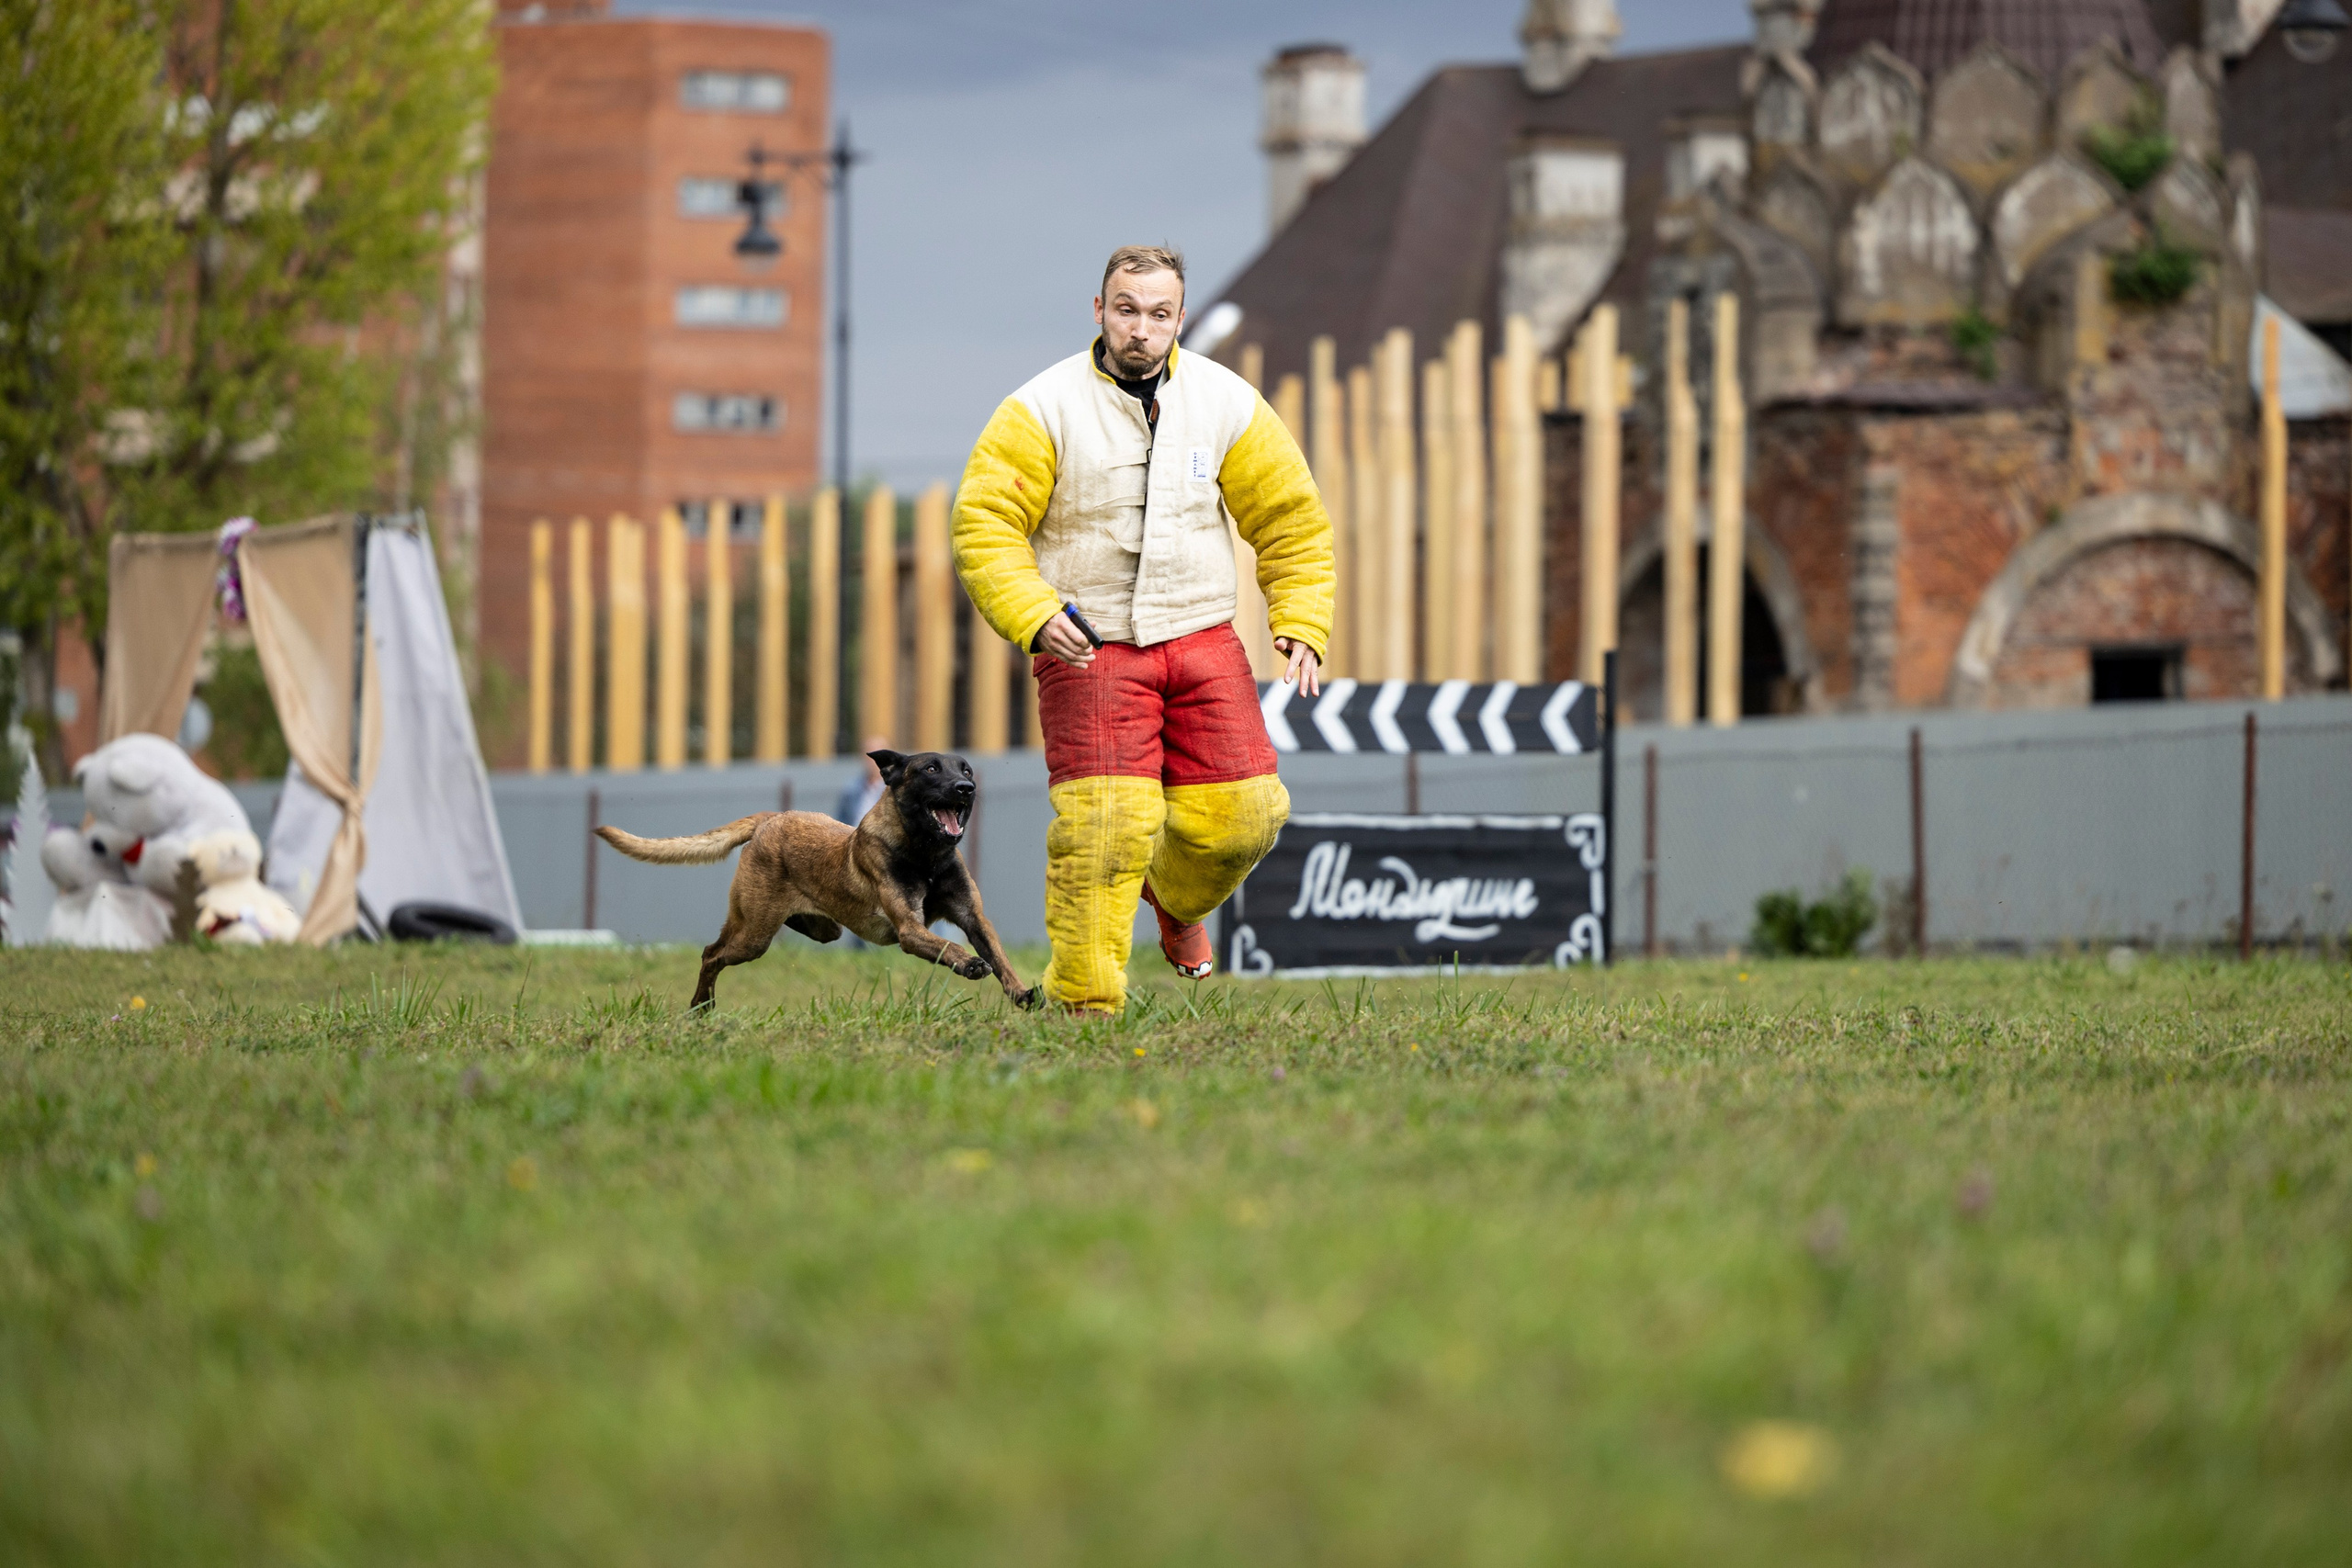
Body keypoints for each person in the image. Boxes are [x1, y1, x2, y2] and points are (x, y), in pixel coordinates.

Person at [953, 243, 1334, 1012]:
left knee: (1248, 818)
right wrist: (1037, 613)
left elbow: (1290, 517)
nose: (1141, 328)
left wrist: (1300, 618)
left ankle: (1174, 900)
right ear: (1099, 310)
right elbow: (984, 524)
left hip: (1201, 633)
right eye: (1126, 309)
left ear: (1180, 318)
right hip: (1088, 643)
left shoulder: (1227, 403)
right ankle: (1085, 1003)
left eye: (1159, 314)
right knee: (1105, 828)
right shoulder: (1042, 407)